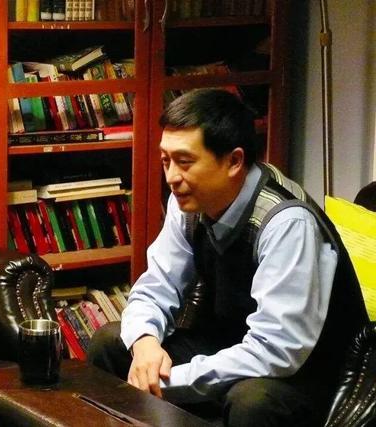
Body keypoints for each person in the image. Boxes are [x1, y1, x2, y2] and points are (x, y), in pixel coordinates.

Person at [87, 89, 367, 426]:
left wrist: (166, 380)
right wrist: (144, 344)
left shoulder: (287, 223)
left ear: (234, 161)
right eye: (166, 160)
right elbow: (157, 286)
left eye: (185, 162)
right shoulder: (188, 201)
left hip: (309, 371)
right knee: (111, 343)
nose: (172, 177)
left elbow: (277, 350)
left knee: (252, 402)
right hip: (231, 343)